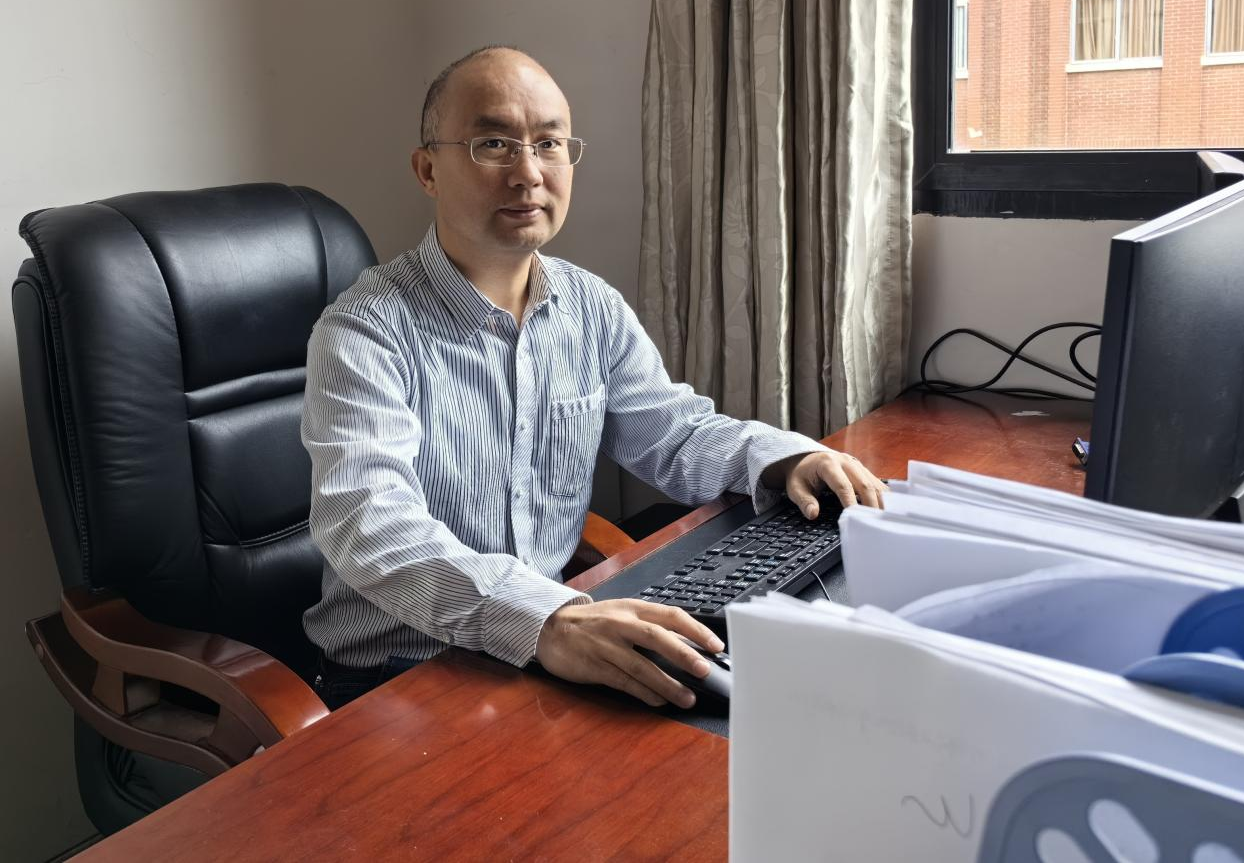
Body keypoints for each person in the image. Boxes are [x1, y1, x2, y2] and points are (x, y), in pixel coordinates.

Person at [303, 45, 887, 711]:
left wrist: (786, 458)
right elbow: (370, 524)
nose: (528, 174)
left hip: (545, 646)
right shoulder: (365, 330)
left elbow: (673, 433)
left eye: (549, 144)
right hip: (399, 678)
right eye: (494, 144)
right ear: (428, 169)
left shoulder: (589, 306)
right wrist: (545, 618)